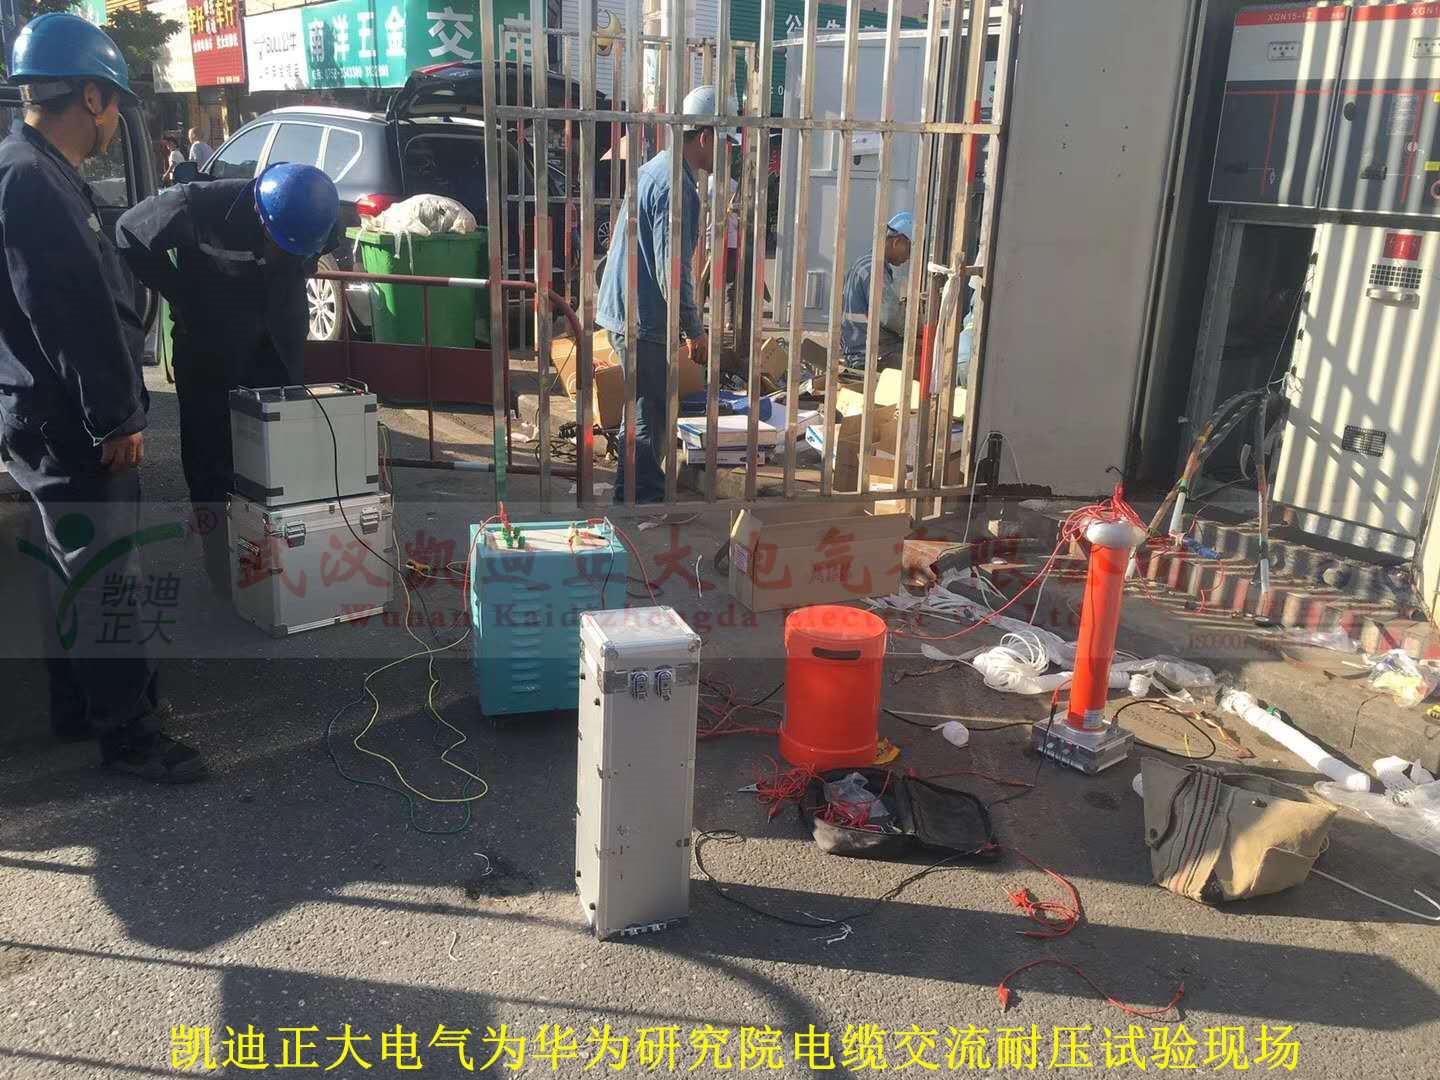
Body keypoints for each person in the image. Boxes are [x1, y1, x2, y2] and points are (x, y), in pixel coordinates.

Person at [0, 13, 205, 781]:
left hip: (46, 415)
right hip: (72, 423)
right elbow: (72, 316)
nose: (116, 120)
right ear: (90, 96)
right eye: (114, 101)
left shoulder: (35, 170)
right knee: (105, 575)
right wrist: (115, 417)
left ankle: (80, 708)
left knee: (68, 564)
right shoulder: (31, 180)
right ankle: (130, 737)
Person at [117, 163, 339, 589]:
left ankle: (278, 553)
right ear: (260, 215)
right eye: (279, 244)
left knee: (278, 449)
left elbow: (317, 249)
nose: (281, 255)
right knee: (211, 453)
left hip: (278, 341)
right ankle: (221, 559)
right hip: (209, 348)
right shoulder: (197, 205)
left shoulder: (317, 211)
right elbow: (128, 232)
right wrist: (180, 292)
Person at [596, 84, 739, 502]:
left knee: (645, 404)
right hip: (642, 316)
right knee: (650, 409)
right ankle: (639, 493)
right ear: (705, 137)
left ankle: (632, 488)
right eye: (726, 143)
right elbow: (672, 272)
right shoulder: (677, 188)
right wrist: (694, 328)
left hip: (630, 308)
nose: (727, 153)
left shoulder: (657, 169)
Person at [840, 210, 914, 370]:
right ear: (896, 242)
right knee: (925, 366)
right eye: (909, 250)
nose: (909, 257)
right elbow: (891, 317)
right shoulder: (875, 269)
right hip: (871, 355)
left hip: (858, 348)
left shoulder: (864, 263)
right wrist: (917, 327)